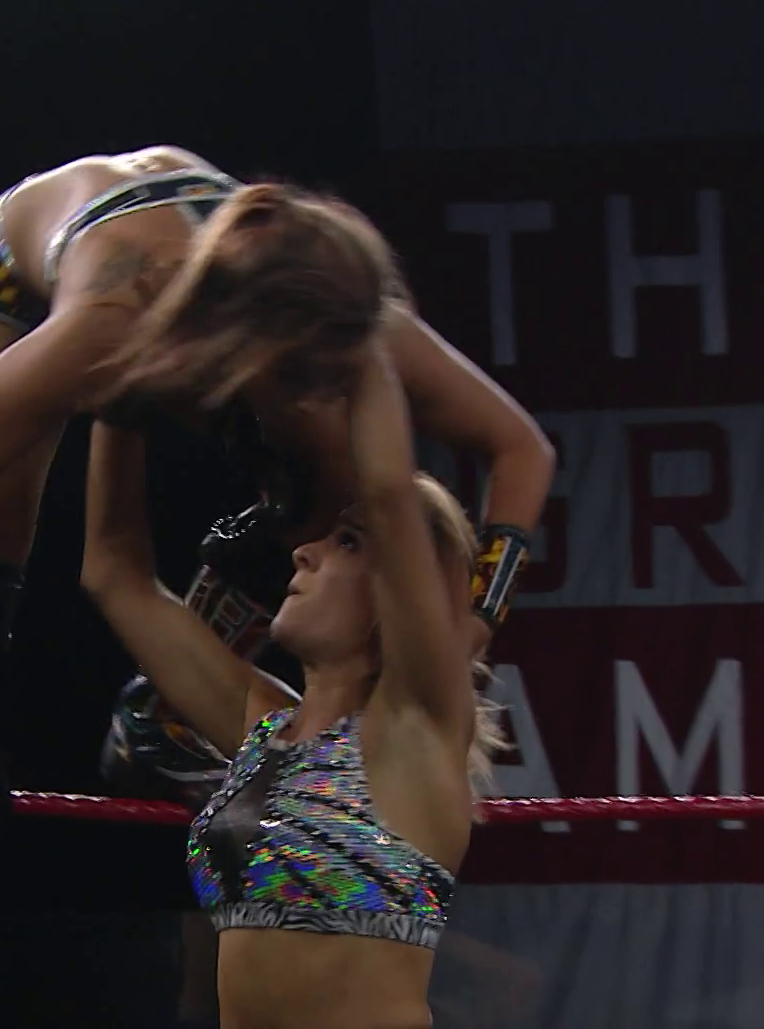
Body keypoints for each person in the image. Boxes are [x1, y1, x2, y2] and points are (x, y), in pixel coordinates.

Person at [0, 145, 552, 783]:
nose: (326, 396)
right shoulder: (107, 322)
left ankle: (178, 699)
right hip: (12, 270)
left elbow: (521, 449)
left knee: (330, 480)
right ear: (255, 347)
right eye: (311, 378)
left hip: (196, 293)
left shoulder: (344, 305)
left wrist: (472, 627)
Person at [78, 333, 511, 1029]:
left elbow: (390, 492)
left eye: (347, 542)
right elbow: (114, 574)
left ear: (399, 596)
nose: (304, 553)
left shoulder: (416, 731)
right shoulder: (262, 731)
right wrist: (118, 395)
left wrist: (346, 322)